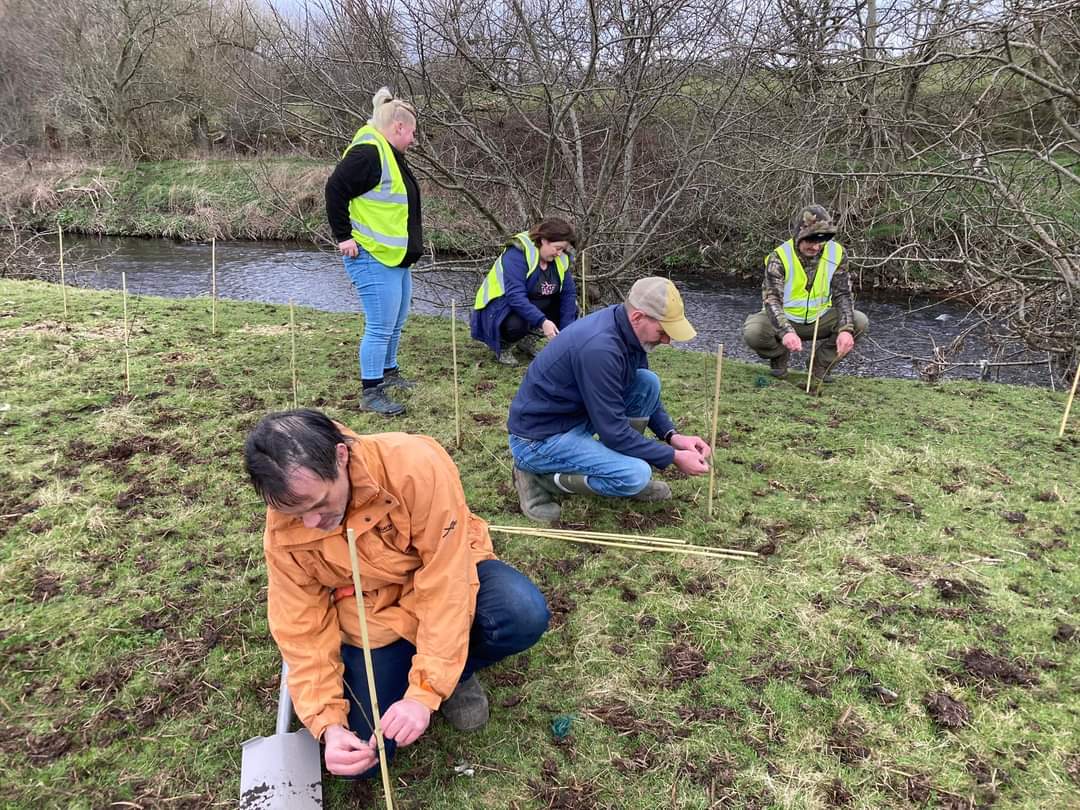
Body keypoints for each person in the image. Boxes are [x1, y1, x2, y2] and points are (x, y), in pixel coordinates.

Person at [243, 409, 550, 778]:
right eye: (297, 513)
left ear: (341, 456)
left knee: (520, 612)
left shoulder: (415, 466)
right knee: (361, 761)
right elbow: (300, 625)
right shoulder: (283, 528)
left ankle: (455, 672)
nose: (311, 523)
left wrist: (424, 692)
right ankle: (424, 665)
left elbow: (446, 583)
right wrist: (328, 724)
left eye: (319, 504)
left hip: (443, 577)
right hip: (372, 618)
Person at [507, 277, 712, 524]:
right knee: (635, 475)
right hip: (538, 439)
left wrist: (672, 436)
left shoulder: (627, 330)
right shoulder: (601, 349)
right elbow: (614, 432)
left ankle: (618, 466)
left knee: (647, 382)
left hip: (576, 416)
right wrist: (673, 457)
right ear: (638, 317)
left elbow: (638, 392)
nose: (667, 340)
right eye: (662, 332)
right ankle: (540, 478)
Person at [326, 87, 424, 416]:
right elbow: (334, 188)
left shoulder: (386, 151)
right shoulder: (368, 153)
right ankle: (371, 392)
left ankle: (389, 372)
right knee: (380, 325)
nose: (413, 139)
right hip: (372, 256)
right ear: (399, 127)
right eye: (412, 133)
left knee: (395, 321)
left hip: (394, 256)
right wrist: (343, 236)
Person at [743, 204, 869, 382]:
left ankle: (820, 365)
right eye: (810, 240)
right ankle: (779, 356)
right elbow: (772, 300)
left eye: (821, 241)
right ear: (798, 235)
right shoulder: (779, 257)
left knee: (859, 321)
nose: (816, 247)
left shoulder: (837, 253)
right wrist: (785, 332)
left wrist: (845, 330)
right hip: (784, 318)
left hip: (820, 318)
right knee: (754, 332)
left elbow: (843, 295)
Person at [471, 219, 578, 365]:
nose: (559, 253)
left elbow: (568, 294)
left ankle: (527, 341)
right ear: (544, 240)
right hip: (499, 308)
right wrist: (543, 322)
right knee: (516, 324)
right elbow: (515, 297)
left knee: (572, 309)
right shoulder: (516, 254)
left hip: (531, 302)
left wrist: (565, 335)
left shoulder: (561, 260)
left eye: (562, 249)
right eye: (557, 248)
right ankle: (503, 345)